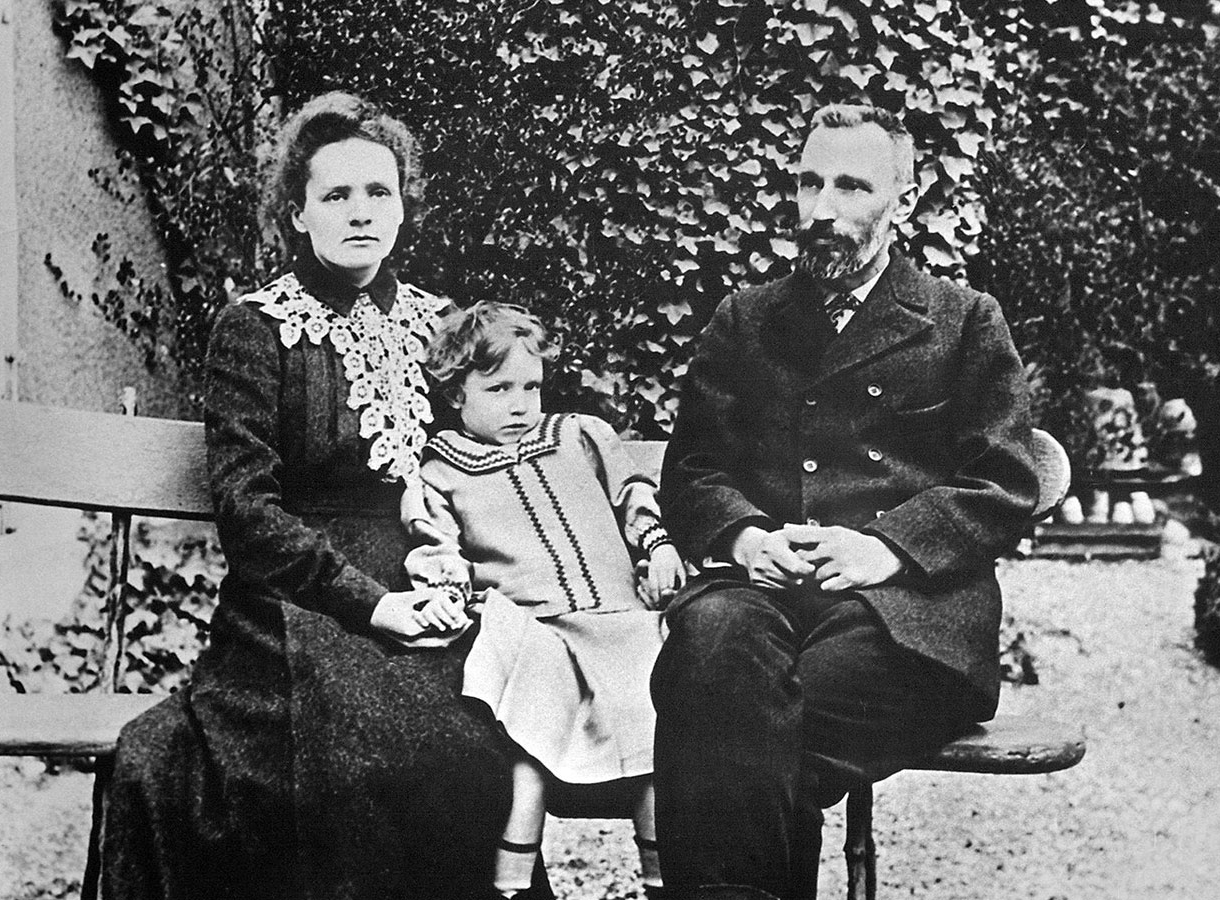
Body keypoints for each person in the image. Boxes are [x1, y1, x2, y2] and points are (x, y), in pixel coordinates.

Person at [97, 92, 547, 900]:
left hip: (437, 588)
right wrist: (372, 605)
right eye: (336, 195)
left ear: (405, 206)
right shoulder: (255, 327)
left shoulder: (444, 327)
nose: (361, 211)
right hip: (295, 602)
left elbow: (499, 462)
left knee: (461, 744)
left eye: (380, 192)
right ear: (297, 214)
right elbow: (247, 509)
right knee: (340, 751)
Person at [652, 103, 1041, 900]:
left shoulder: (962, 321)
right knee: (714, 650)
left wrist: (886, 546)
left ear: (904, 193)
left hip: (907, 615)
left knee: (735, 730)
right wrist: (750, 538)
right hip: (761, 592)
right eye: (808, 183)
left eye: (851, 186)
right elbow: (691, 470)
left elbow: (1005, 483)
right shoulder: (747, 319)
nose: (821, 210)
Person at [401, 301, 685, 899]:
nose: (520, 402)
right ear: (456, 393)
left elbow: (634, 492)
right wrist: (447, 590)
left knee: (658, 742)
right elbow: (437, 543)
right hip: (537, 631)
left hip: (619, 618)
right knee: (525, 754)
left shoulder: (578, 435)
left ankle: (665, 882)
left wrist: (656, 546)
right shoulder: (442, 472)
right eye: (499, 387)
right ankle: (509, 885)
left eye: (531, 385)